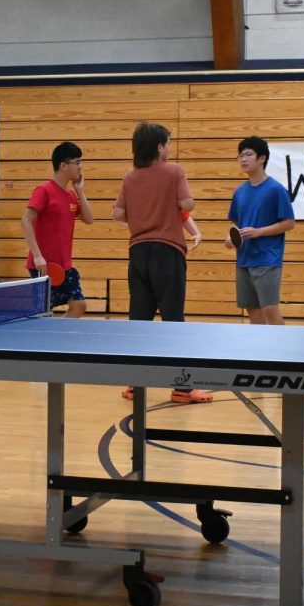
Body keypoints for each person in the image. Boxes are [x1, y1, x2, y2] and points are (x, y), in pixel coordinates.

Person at [112, 122, 211, 403]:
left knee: (139, 320)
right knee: (173, 320)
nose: (169, 148)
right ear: (159, 147)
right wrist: (171, 206)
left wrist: (143, 215)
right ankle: (182, 388)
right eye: (167, 143)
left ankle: (135, 385)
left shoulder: (130, 177)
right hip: (168, 252)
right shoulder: (174, 171)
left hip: (138, 253)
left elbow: (118, 213)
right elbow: (188, 204)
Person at [225, 136, 295, 324]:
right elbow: (236, 224)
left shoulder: (276, 189)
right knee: (253, 313)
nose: (243, 159)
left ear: (262, 158)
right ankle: (259, 353)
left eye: (248, 154)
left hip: (267, 259)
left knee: (270, 309)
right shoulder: (240, 192)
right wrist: (231, 237)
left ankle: (285, 352)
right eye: (240, 156)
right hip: (244, 259)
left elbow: (289, 223)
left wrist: (258, 232)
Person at [22, 141, 94, 316]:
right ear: (63, 165)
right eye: (77, 162)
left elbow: (89, 219)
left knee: (79, 305)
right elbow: (26, 220)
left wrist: (80, 191)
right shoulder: (44, 190)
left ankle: (57, 338)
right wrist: (37, 256)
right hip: (44, 266)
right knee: (44, 313)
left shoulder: (70, 195)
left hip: (65, 266)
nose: (80, 166)